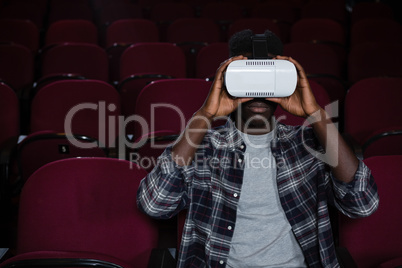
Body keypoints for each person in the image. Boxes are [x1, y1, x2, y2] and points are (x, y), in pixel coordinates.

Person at [137, 29, 379, 267]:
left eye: (267, 79)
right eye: (248, 78)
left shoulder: (309, 144)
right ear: (227, 81)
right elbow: (156, 204)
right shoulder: (202, 145)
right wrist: (205, 114)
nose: (258, 92)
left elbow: (361, 203)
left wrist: (316, 114)